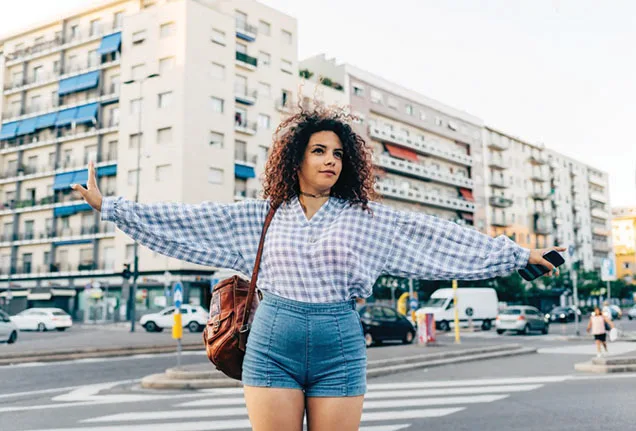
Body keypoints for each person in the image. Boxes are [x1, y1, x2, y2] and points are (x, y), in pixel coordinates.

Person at [72, 105, 564, 431]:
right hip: (271, 344)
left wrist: (516, 255)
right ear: (297, 159)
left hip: (340, 345)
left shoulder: (367, 220)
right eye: (319, 151)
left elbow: (435, 237)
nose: (331, 160)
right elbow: (186, 222)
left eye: (338, 154)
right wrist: (110, 207)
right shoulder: (259, 214)